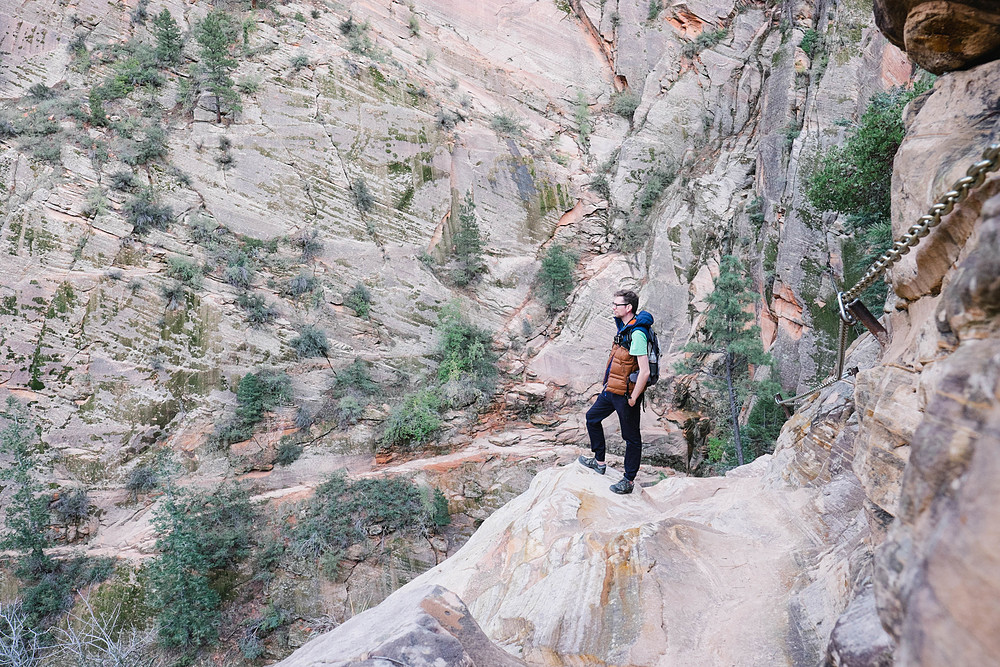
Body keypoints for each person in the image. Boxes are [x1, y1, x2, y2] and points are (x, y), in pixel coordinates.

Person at [578, 289, 652, 494]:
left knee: (631, 438)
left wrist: (634, 398)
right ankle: (599, 462)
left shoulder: (637, 334)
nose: (612, 308)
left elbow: (644, 371)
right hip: (611, 389)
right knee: (592, 418)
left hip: (626, 395)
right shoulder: (625, 328)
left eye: (616, 305)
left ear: (628, 308)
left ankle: (628, 480)